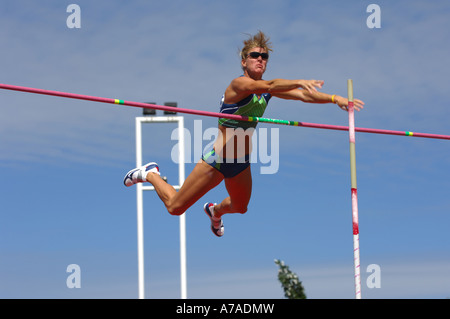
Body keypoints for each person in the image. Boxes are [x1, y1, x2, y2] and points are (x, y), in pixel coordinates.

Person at [123, 31, 364, 237]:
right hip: (217, 161)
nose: (260, 59)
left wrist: (335, 99)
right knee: (175, 208)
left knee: (240, 207)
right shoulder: (238, 85)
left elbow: (303, 95)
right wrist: (299, 81)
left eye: (264, 56)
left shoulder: (267, 90)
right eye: (255, 55)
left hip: (240, 163)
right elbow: (271, 86)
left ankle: (215, 211)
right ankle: (151, 173)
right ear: (243, 61)